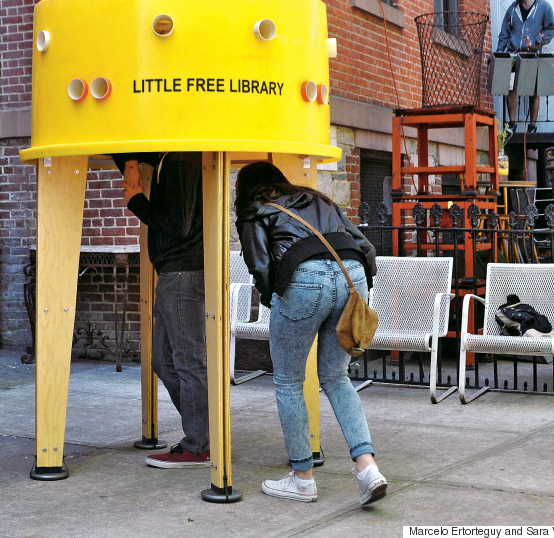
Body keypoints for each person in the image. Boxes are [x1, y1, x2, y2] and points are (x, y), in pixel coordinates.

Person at [234, 161, 386, 505]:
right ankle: (368, 469)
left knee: (288, 382)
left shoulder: (254, 211)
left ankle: (303, 481)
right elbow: (366, 247)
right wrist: (360, 287)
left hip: (303, 279)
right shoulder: (317, 198)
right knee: (336, 377)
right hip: (353, 275)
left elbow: (259, 266)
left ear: (244, 188)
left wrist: (277, 298)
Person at [116, 152, 209, 468]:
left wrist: (137, 202)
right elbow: (133, 149)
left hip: (182, 276)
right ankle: (205, 435)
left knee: (187, 361)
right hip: (175, 275)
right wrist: (128, 163)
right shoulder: (170, 157)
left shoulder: (181, 160)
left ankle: (199, 445)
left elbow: (179, 225)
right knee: (163, 360)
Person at [497, 0, 554, 134]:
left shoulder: (543, 7)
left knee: (534, 90)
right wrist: (500, 53)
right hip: (513, 54)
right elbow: (504, 33)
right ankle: (512, 123)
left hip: (532, 55)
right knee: (511, 88)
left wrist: (536, 41)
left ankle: (532, 125)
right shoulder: (512, 9)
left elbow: (550, 29)